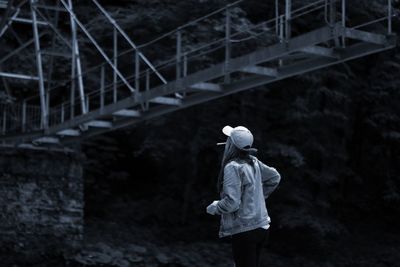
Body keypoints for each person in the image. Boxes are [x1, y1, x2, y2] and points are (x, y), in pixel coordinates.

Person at [206, 125, 281, 267]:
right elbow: (275, 177)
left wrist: (215, 207)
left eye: (229, 139)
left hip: (246, 230)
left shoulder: (233, 167)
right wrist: (255, 198)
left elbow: (232, 203)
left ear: (231, 145)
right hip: (262, 227)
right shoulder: (254, 162)